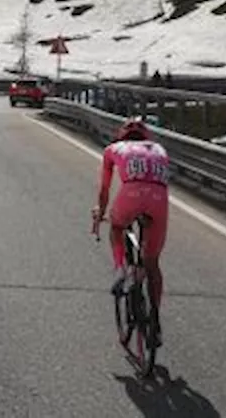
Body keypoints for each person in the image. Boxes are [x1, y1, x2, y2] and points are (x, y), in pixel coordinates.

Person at [91, 117, 171, 345]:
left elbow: (104, 189)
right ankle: (154, 318)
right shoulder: (159, 149)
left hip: (131, 196)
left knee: (117, 227)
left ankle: (120, 271)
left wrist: (100, 211)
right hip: (159, 200)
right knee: (152, 262)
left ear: (120, 135)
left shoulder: (113, 148)